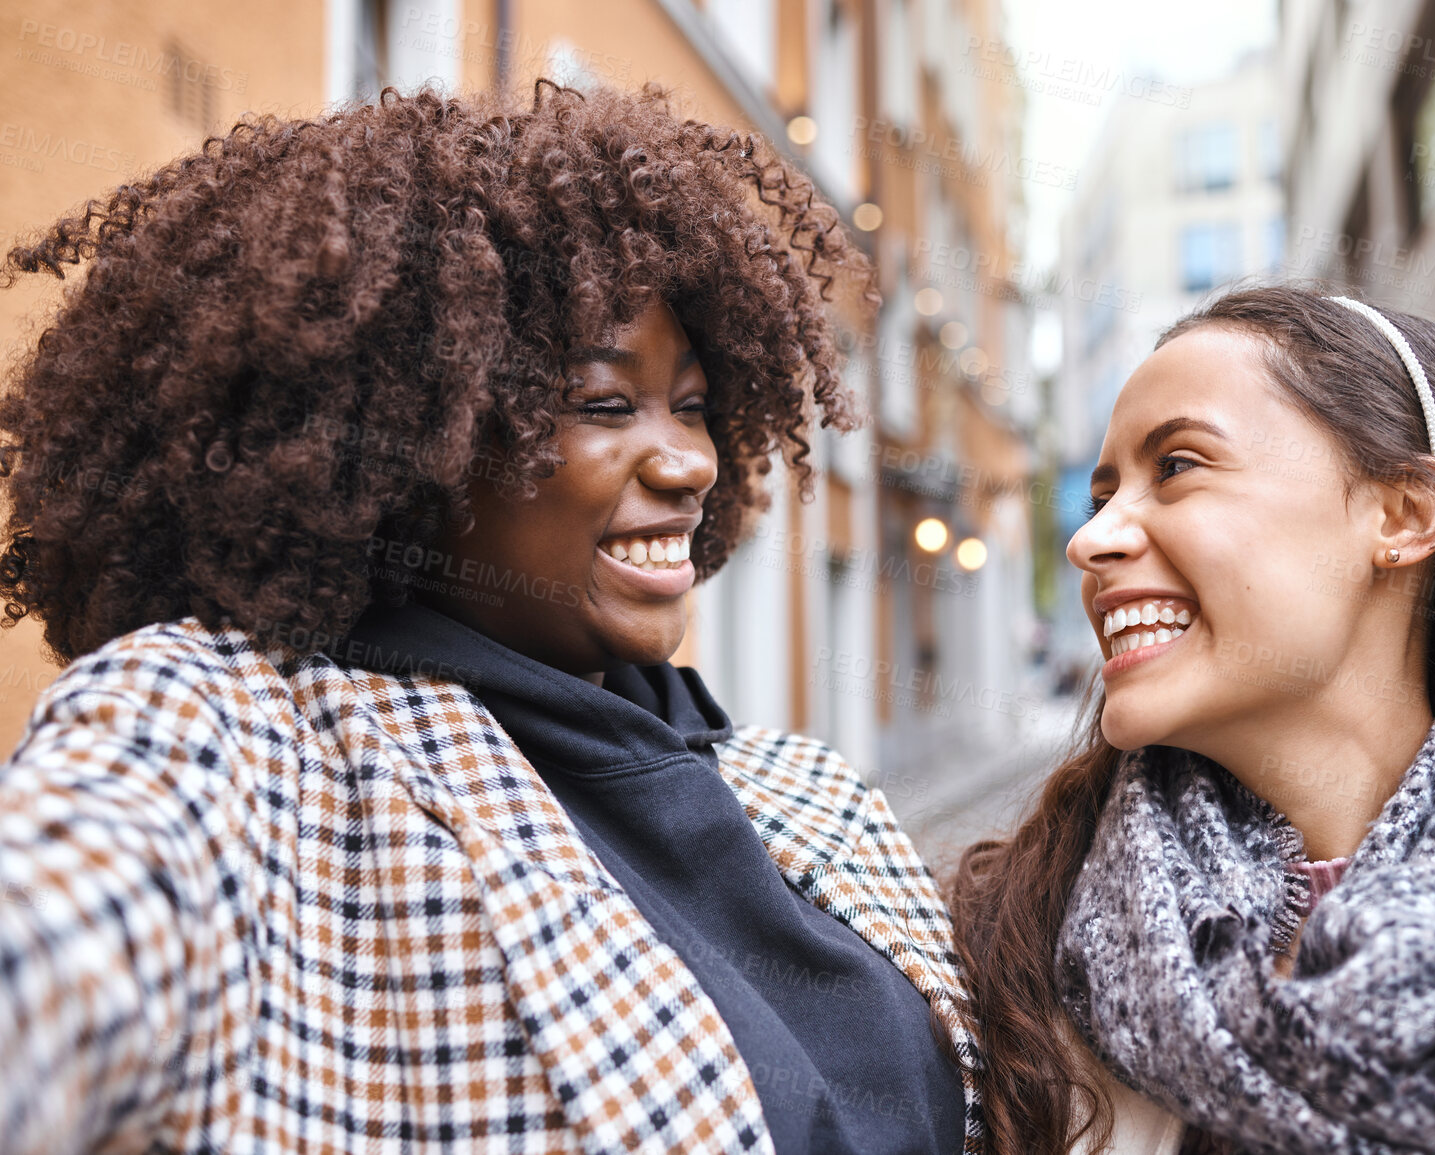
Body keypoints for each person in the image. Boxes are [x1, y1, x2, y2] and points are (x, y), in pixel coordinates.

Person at [0, 82, 983, 1154]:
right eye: (605, 405)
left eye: (694, 406)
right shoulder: (239, 743)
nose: (691, 461)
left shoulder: (802, 794)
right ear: (413, 446)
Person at [948, 285, 1435, 1155]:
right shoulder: (1013, 946)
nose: (1090, 540)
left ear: (1401, 514)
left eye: (1176, 466)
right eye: (1102, 495)